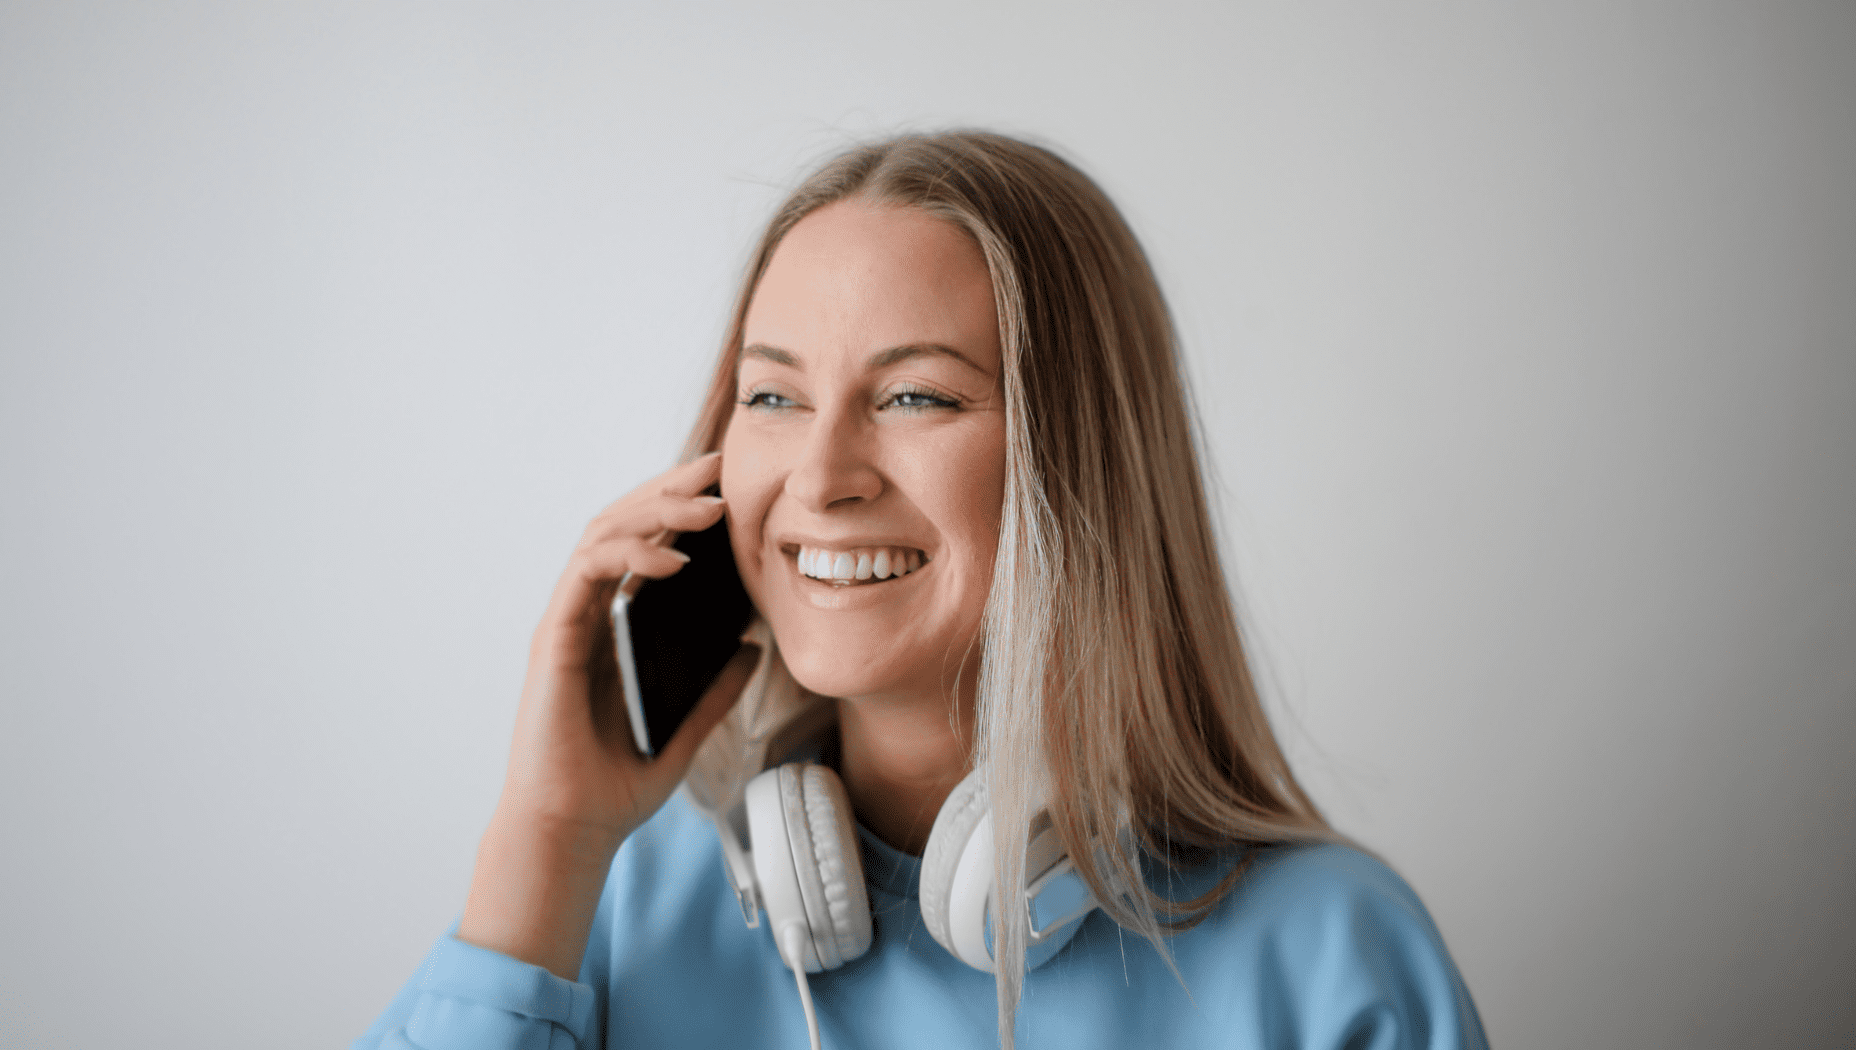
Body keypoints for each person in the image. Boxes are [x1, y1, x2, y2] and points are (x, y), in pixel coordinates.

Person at [354, 130, 1489, 1050]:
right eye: (773, 398)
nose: (822, 477)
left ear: (1083, 468)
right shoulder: (606, 906)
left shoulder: (1334, 958)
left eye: (916, 399)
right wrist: (546, 838)